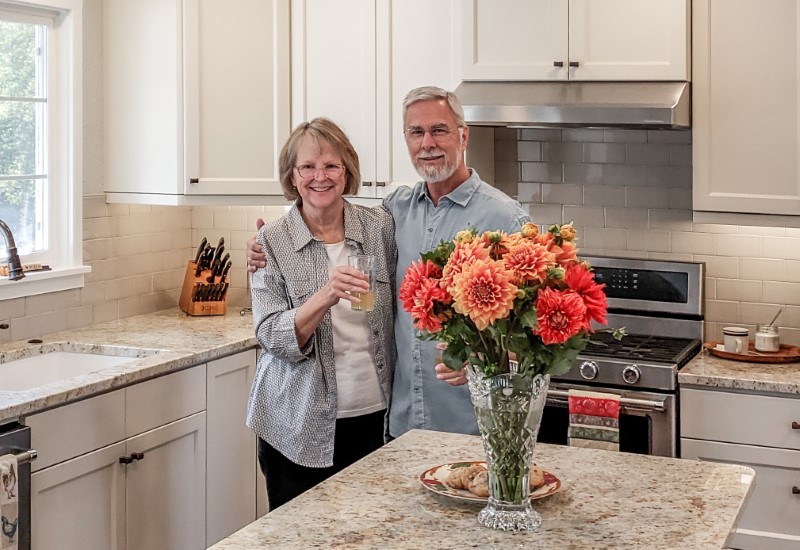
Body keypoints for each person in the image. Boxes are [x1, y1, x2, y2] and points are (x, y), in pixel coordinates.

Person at [247, 86, 528, 438]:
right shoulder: (395, 212)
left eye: (439, 130)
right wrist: (265, 243)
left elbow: (533, 335)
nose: (427, 143)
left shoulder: (504, 219)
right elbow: (324, 217)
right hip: (399, 425)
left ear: (463, 135)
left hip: (471, 425)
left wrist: (486, 357)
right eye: (416, 132)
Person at [247, 117, 396, 511]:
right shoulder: (271, 241)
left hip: (375, 416)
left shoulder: (380, 227)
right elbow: (271, 335)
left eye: (331, 165)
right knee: (299, 533)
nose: (320, 176)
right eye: (308, 167)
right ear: (292, 176)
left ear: (347, 172)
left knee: (370, 529)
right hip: (297, 425)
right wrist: (325, 295)